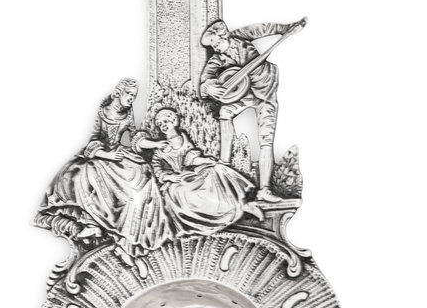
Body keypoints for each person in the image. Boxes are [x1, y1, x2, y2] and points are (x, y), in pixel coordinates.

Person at [37, 78, 171, 263]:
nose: (131, 99)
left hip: (119, 155)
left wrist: (154, 144)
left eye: (134, 96)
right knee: (84, 175)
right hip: (100, 156)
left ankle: (129, 237)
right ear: (117, 93)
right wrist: (107, 155)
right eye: (128, 94)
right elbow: (93, 140)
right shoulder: (102, 112)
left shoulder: (128, 113)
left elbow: (133, 137)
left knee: (141, 175)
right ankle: (92, 224)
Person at [200, 17, 306, 202]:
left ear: (224, 36)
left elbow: (264, 28)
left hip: (265, 92)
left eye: (216, 43)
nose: (215, 49)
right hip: (244, 94)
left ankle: (264, 190)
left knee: (266, 140)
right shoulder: (217, 59)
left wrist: (288, 28)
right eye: (212, 46)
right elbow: (205, 80)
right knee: (225, 112)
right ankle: (224, 165)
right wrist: (208, 87)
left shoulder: (242, 36)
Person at [152, 108, 263, 236]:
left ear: (174, 121)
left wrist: (205, 160)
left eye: (166, 121)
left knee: (217, 169)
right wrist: (168, 177)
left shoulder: (184, 138)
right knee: (179, 192)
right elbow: (156, 167)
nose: (163, 126)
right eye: (160, 124)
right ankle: (231, 211)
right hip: (177, 181)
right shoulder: (160, 147)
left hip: (191, 174)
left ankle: (241, 202)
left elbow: (190, 159)